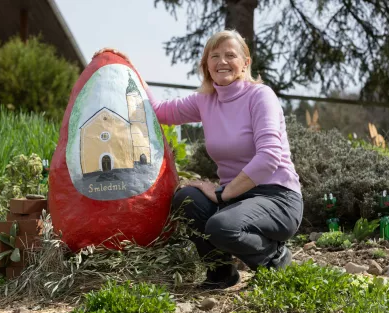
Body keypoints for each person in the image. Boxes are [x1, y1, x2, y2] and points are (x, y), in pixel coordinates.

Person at [95, 29, 303, 289]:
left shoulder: (260, 96)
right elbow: (158, 111)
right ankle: (221, 273)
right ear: (206, 65)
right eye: (214, 56)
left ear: (245, 63)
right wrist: (129, 69)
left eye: (230, 55)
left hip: (277, 198)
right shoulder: (206, 101)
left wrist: (223, 193)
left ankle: (275, 259)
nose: (221, 62)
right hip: (238, 199)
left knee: (221, 227)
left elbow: (269, 157)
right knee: (186, 200)